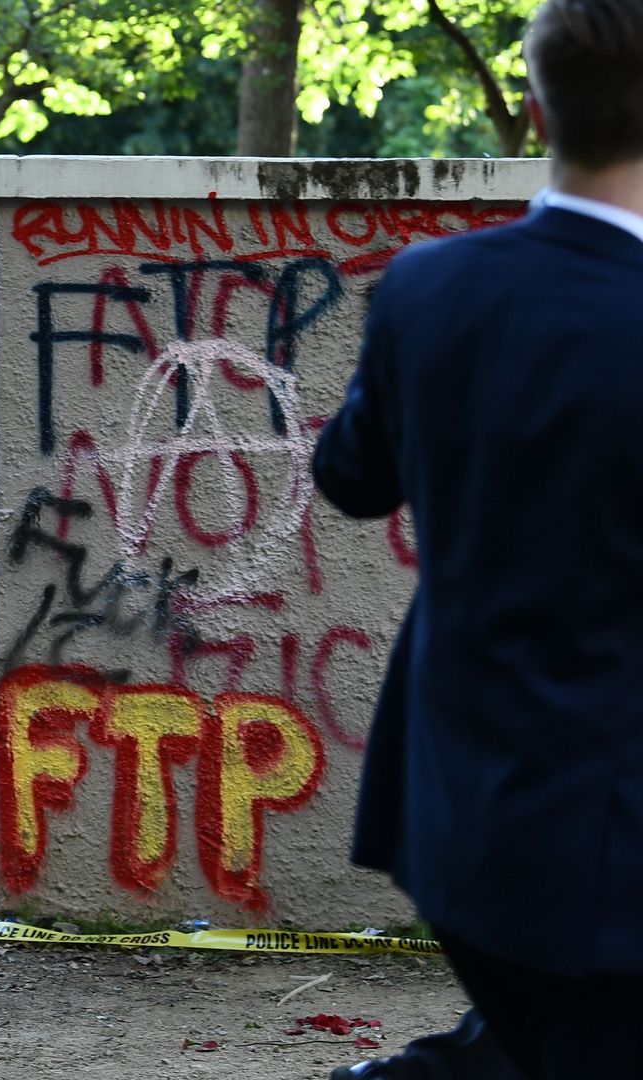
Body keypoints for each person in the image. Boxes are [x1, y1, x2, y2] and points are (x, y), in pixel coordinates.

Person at [313, 1, 643, 1075]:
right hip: (614, 846)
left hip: (457, 813)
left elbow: (351, 481)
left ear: (537, 105)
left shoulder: (427, 285)